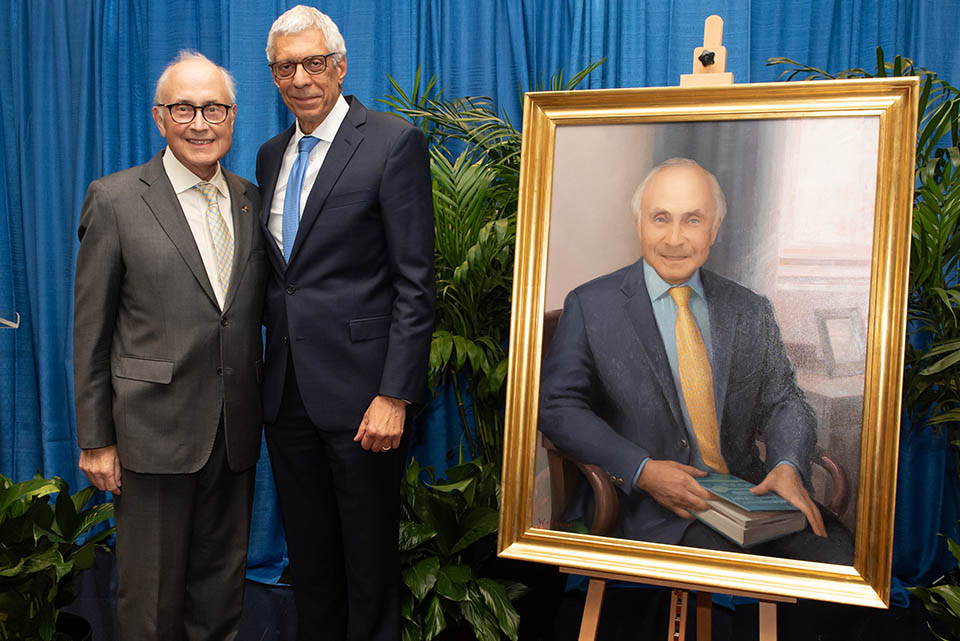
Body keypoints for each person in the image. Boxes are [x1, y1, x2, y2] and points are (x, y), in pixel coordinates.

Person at [539, 158, 852, 564]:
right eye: (660, 218)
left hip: (751, 499)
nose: (674, 239)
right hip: (646, 508)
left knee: (841, 561)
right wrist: (642, 470)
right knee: (741, 584)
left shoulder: (750, 309)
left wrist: (787, 463)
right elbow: (558, 408)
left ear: (714, 229)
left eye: (692, 220)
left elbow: (786, 401)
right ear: (639, 224)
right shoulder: (590, 304)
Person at [73, 51, 267, 641]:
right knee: (149, 603)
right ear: (159, 117)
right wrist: (96, 440)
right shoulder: (114, 199)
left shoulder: (252, 200)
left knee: (220, 595)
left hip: (233, 435)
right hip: (148, 436)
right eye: (184, 108)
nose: (200, 123)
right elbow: (88, 332)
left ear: (233, 117)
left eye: (214, 108)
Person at [256, 6, 435, 640]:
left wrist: (394, 394)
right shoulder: (270, 154)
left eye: (313, 63)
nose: (300, 78)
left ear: (340, 66)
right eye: (285, 67)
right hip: (286, 396)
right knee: (310, 564)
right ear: (274, 75)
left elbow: (415, 283)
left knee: (368, 565)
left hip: (365, 400)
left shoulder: (391, 142)